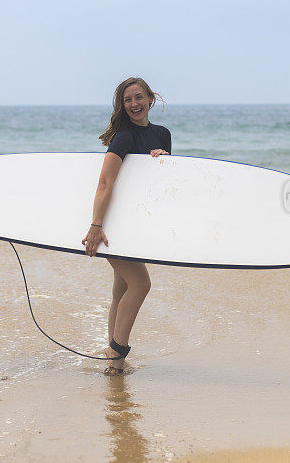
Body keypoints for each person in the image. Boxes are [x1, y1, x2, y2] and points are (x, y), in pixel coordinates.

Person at [81, 77, 171, 376]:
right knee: (141, 284)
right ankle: (117, 350)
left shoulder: (163, 134)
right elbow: (105, 181)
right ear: (122, 105)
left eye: (138, 97)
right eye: (128, 100)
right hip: (113, 224)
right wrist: (96, 225)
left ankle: (114, 362)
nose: (134, 104)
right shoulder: (124, 137)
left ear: (150, 99)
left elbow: (157, 185)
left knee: (121, 288)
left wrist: (160, 160)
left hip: (137, 223)